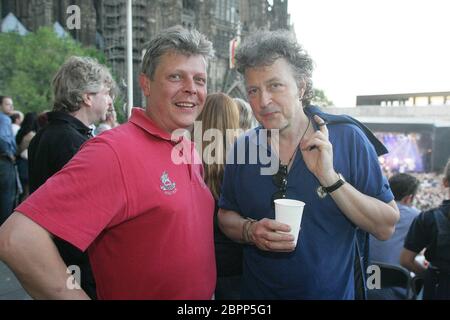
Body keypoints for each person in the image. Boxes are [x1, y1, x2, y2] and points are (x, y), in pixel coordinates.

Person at [0, 26, 216, 300]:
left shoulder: (188, 147)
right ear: (146, 84)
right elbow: (17, 239)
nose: (191, 89)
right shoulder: (113, 151)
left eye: (200, 79)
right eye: (176, 77)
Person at [217, 30, 399, 299]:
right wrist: (250, 231)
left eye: (275, 85)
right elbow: (225, 215)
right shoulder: (242, 147)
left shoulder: (347, 137)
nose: (263, 101)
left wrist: (330, 178)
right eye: (253, 90)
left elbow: (386, 226)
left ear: (301, 87)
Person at [197, 92, 242, 300]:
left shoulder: (184, 157)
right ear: (234, 120)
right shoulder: (246, 160)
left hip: (199, 259)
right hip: (235, 261)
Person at [401, 158, 450, 299]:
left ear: (445, 182)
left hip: (439, 288)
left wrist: (430, 276)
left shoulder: (427, 218)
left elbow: (406, 260)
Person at [368, 173, 420, 299]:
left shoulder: (369, 209)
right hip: (398, 291)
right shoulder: (417, 217)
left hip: (365, 286)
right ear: (409, 198)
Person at [0, 95, 17, 226]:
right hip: (5, 161)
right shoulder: (4, 119)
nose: (11, 107)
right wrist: (9, 153)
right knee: (6, 197)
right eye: (7, 104)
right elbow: (3, 139)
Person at [15, 112, 40, 202]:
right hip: (29, 164)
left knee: (22, 192)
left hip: (19, 163)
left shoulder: (20, 133)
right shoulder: (34, 135)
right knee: (28, 192)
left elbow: (17, 150)